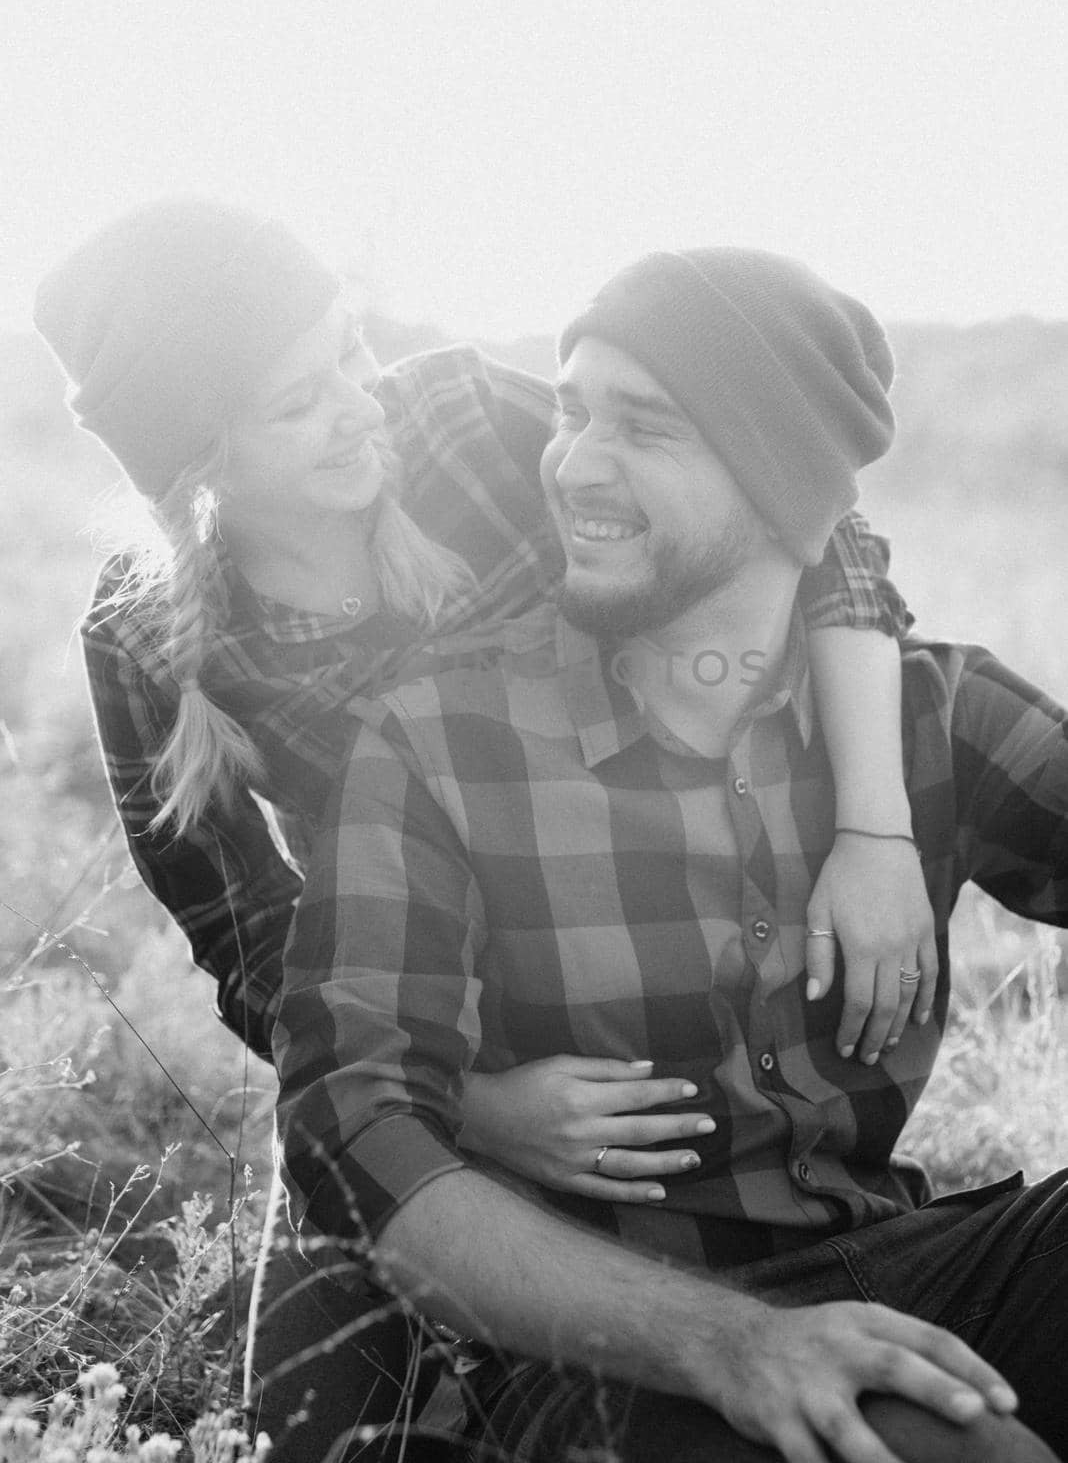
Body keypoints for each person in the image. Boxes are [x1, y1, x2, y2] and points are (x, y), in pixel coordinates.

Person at [38, 205, 925, 1460]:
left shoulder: (467, 422)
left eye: (349, 351)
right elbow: (248, 940)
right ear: (201, 462)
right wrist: (470, 1105)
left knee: (719, 1330)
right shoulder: (142, 640)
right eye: (302, 401)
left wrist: (876, 832)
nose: (361, 404)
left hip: (650, 954)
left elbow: (801, 517)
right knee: (307, 1426)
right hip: (418, 1031)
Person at [273, 247, 1068, 1463]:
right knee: (934, 1448)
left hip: (919, 1268)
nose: (575, 461)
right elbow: (351, 1128)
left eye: (644, 428)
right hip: (605, 1362)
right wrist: (731, 1343)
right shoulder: (441, 742)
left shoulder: (932, 714)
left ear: (781, 486)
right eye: (574, 408)